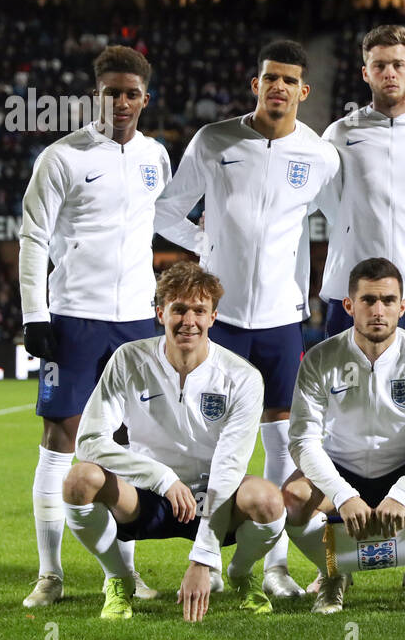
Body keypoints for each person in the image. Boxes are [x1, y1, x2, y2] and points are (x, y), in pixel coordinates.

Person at [154, 39, 341, 600]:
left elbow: (344, 218)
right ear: (254, 85)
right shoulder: (215, 141)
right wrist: (204, 246)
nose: (278, 87)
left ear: (304, 91)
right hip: (224, 318)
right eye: (269, 78)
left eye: (289, 80)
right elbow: (166, 209)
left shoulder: (321, 156)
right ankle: (209, 555)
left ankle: (275, 565)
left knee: (284, 439)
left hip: (282, 319)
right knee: (220, 437)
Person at [18, 45, 171, 608]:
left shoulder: (157, 155)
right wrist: (36, 314)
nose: (122, 102)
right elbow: (33, 237)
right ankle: (50, 574)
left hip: (135, 321)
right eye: (112, 93)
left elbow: (163, 224)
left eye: (132, 93)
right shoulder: (62, 157)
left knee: (126, 444)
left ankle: (123, 575)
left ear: (145, 99)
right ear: (95, 96)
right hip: (74, 317)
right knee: (61, 439)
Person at [61, 262, 285, 621]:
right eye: (179, 309)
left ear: (213, 317)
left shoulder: (242, 377)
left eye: (199, 310)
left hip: (214, 496)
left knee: (268, 501)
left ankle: (241, 574)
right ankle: (118, 578)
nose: (188, 320)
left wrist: (203, 559)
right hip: (145, 497)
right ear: (160, 312)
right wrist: (162, 479)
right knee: (79, 480)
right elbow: (88, 441)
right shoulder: (129, 359)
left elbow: (230, 465)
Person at [281, 258, 405, 614]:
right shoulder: (321, 359)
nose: (378, 310)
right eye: (368, 300)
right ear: (349, 305)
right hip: (341, 468)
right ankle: (332, 571)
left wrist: (403, 493)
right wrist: (341, 494)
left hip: (404, 466)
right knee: (292, 499)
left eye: (387, 300)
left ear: (403, 306)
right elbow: (303, 440)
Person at [317, 24, 405, 345]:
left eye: (398, 65)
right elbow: (331, 204)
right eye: (379, 65)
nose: (389, 73)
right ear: (365, 73)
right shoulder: (340, 133)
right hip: (351, 289)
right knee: (344, 391)